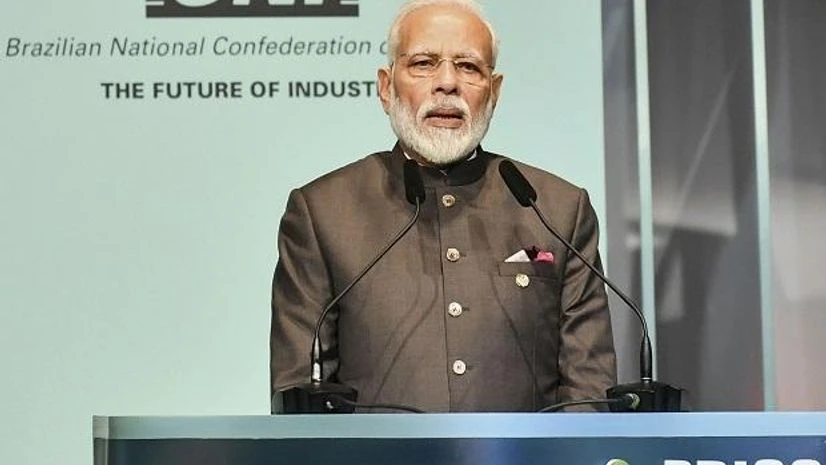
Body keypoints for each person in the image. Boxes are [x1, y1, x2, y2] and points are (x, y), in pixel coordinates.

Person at [270, 0, 616, 412]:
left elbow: (588, 396)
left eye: (469, 67)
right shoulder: (323, 212)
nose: (447, 83)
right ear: (386, 87)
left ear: (495, 90)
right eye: (423, 63)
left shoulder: (556, 210)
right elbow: (300, 399)